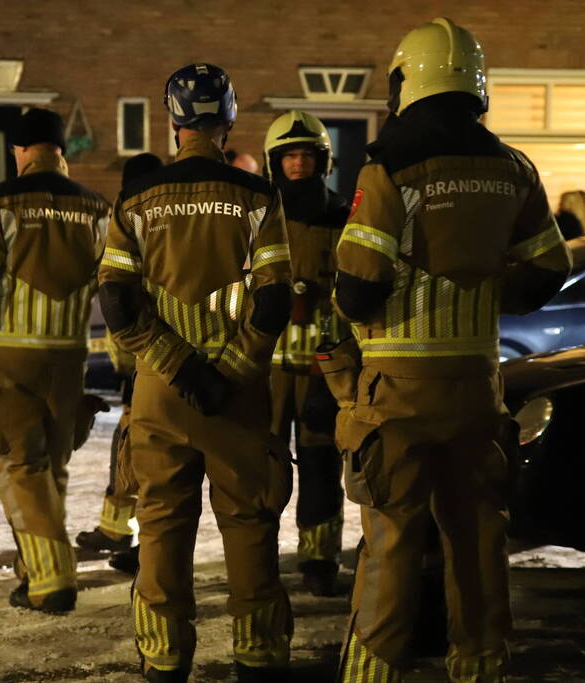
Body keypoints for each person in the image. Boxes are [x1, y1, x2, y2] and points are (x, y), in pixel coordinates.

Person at [330, 18, 572, 682]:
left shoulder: (389, 165)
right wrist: (488, 288)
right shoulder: (512, 167)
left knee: (391, 544)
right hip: (475, 391)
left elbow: (355, 289)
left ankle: (370, 672)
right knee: (477, 541)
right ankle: (480, 665)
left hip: (397, 400)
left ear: (406, 82)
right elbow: (548, 270)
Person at [99, 63, 294, 683]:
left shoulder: (135, 201)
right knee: (248, 526)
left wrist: (179, 368)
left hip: (163, 394)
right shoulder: (260, 198)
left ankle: (163, 661)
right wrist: (229, 369)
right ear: (229, 118)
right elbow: (274, 297)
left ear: (173, 120)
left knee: (160, 527)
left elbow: (117, 303)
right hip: (237, 396)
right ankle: (258, 658)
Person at [0, 108, 110, 614]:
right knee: (51, 469)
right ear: (59, 150)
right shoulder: (98, 208)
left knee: (21, 468)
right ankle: (32, 570)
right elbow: (120, 292)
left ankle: (52, 578)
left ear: (19, 150)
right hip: (70, 358)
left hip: (15, 358)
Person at [261, 111, 350, 597]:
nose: (298, 164)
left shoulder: (342, 216)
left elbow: (354, 293)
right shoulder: (259, 217)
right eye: (289, 156)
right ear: (276, 162)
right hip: (269, 370)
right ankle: (258, 556)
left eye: (306, 155)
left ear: (322, 160)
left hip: (321, 367)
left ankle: (320, 560)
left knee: (320, 471)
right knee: (264, 470)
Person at [76, 152, 165, 576]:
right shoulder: (146, 222)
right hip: (140, 363)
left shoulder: (145, 227)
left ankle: (146, 544)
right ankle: (118, 532)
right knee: (127, 451)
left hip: (153, 361)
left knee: (146, 458)